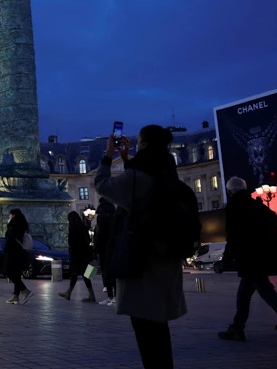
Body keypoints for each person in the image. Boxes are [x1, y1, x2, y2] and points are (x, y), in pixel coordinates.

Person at [94, 125, 187, 369]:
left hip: (142, 258)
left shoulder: (137, 179)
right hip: (167, 256)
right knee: (158, 325)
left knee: (145, 327)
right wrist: (127, 160)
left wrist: (108, 155)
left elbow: (102, 185)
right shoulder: (169, 173)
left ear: (143, 145)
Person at [217, 176, 277, 346]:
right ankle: (237, 327)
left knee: (267, 293)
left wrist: (227, 259)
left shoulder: (235, 206)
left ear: (230, 191)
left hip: (250, 257)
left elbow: (234, 235)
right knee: (244, 294)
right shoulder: (259, 205)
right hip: (264, 256)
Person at [60, 210, 97, 302]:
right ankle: (91, 294)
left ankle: (68, 293)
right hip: (86, 255)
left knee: (74, 274)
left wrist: (71, 252)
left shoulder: (73, 229)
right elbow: (89, 240)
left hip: (76, 255)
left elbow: (72, 244)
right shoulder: (84, 228)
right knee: (86, 275)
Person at [4, 208, 32, 305]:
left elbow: (10, 237)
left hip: (13, 252)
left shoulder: (15, 225)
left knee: (9, 272)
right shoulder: (22, 224)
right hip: (19, 252)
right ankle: (15, 296)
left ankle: (25, 290)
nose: (9, 216)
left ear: (14, 215)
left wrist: (9, 225)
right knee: (16, 273)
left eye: (10, 215)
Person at [93, 198, 117, 305]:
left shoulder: (101, 216)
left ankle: (110, 296)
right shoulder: (116, 215)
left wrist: (96, 247)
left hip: (104, 248)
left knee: (106, 273)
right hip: (115, 248)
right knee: (114, 273)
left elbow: (99, 233)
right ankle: (116, 297)